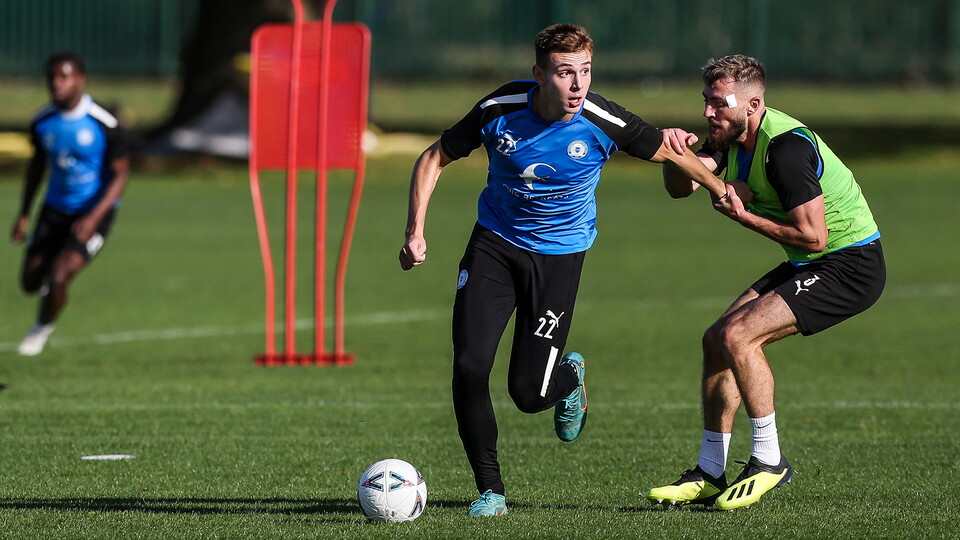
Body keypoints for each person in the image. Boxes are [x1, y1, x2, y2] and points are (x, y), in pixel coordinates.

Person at [399, 24, 726, 516]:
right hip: (494, 246)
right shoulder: (500, 109)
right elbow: (434, 157)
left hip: (558, 259)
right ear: (539, 75)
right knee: (468, 367)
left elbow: (668, 151)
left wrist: (722, 192)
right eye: (564, 73)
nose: (577, 85)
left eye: (585, 72)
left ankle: (569, 377)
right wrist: (415, 231)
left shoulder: (602, 118)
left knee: (529, 394)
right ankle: (490, 490)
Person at [647, 54, 885, 510]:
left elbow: (815, 238)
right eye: (706, 101)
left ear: (753, 105)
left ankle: (769, 460)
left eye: (719, 103)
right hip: (810, 262)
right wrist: (672, 155)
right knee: (716, 339)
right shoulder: (731, 136)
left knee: (739, 336)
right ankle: (710, 471)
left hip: (850, 265)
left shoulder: (786, 150)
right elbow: (683, 187)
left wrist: (745, 216)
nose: (708, 112)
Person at [10, 52, 130, 356]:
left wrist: (93, 217)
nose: (56, 84)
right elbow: (37, 167)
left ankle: (41, 328)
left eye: (64, 77)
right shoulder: (42, 122)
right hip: (54, 209)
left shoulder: (103, 122)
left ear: (80, 79)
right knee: (30, 281)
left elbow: (121, 175)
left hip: (93, 212)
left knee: (60, 276)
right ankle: (50, 289)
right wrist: (24, 212)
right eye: (51, 78)